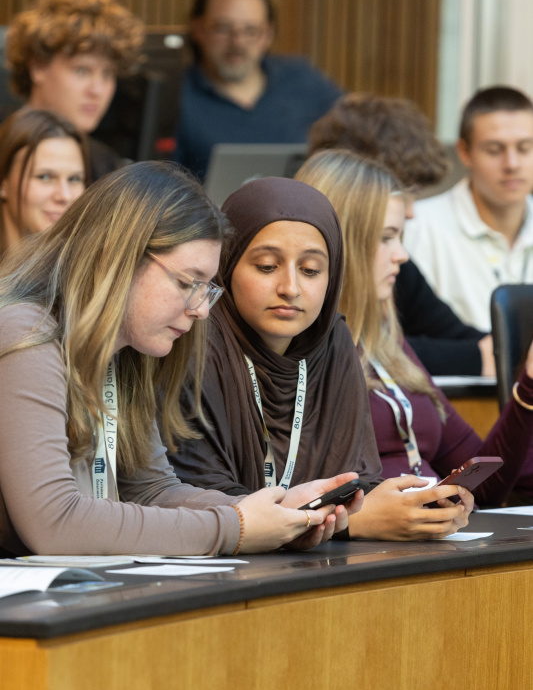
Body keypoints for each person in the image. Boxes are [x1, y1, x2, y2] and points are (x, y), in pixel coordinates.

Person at [0, 161, 364, 558]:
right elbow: (56, 523)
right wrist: (234, 528)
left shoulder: (125, 354)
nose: (201, 310)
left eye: (206, 289)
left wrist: (278, 515)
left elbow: (152, 489)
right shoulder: (27, 332)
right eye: (187, 283)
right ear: (115, 257)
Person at [170, 175, 474, 540]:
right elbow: (194, 498)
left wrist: (411, 508)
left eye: (311, 270)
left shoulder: (333, 342)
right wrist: (351, 523)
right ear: (227, 265)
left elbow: (356, 483)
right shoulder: (190, 345)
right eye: (267, 266)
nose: (291, 288)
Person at [296, 149, 533, 504]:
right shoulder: (297, 350)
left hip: (435, 540)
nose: (402, 255)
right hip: (367, 552)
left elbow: (484, 483)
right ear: (344, 240)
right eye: (387, 236)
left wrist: (528, 385)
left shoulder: (388, 342)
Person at [307, 92, 493, 377]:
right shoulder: (307, 271)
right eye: (400, 192)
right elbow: (358, 344)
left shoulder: (395, 262)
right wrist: (475, 358)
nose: (411, 212)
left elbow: (455, 333)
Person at [175, 0, 342, 180]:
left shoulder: (302, 79)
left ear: (268, 34)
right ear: (198, 29)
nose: (237, 42)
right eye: (222, 28)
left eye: (251, 31)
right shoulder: (173, 96)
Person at [404, 86, 533, 331]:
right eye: (494, 150)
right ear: (464, 152)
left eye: (525, 148)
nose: (512, 164)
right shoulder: (419, 226)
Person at [5, 0, 144, 181]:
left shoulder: (106, 164)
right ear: (38, 68)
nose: (97, 90)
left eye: (107, 73)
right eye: (82, 70)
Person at [0, 107, 88, 256]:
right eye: (45, 177)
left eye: (74, 179)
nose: (64, 196)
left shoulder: (86, 273)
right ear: (3, 182)